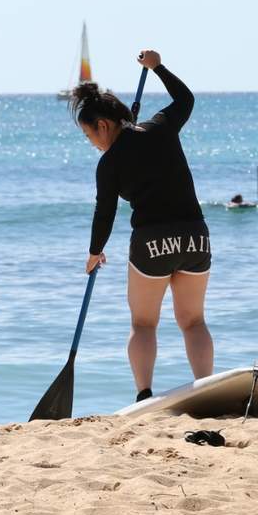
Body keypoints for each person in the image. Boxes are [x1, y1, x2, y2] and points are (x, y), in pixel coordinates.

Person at [72, 49, 213, 401]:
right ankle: (207, 387)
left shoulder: (109, 163)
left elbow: (104, 212)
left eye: (89, 136)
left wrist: (95, 252)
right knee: (193, 321)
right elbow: (185, 100)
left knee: (143, 323)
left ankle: (144, 394)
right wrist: (158, 67)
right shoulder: (161, 126)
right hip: (195, 235)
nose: (93, 144)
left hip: (152, 241)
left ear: (103, 125)